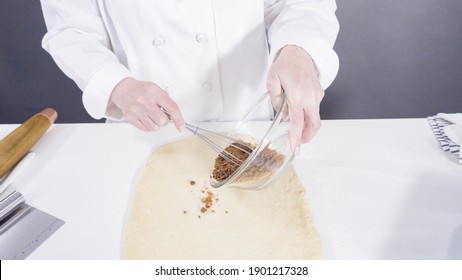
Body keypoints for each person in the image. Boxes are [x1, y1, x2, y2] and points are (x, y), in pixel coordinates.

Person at [40, 0, 339, 155]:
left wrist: (298, 50)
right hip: (142, 134)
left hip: (255, 128)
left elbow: (300, 3)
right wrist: (117, 85)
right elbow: (70, 30)